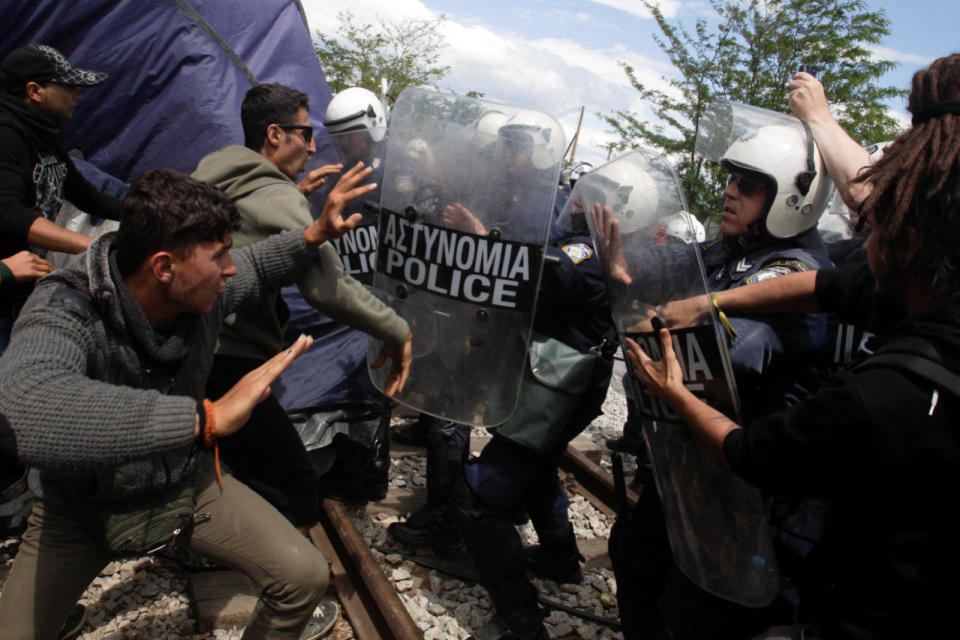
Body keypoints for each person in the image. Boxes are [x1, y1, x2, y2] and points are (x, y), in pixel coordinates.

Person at [627, 52, 960, 639]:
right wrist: (710, 301)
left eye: (874, 225)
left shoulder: (888, 390)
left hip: (778, 514)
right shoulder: (908, 283)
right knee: (639, 559)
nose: (860, 236)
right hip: (716, 476)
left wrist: (677, 391)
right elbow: (826, 286)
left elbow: (753, 445)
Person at [0, 166, 376, 640]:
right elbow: (27, 408)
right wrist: (205, 419)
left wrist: (314, 234)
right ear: (163, 267)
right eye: (219, 256)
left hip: (183, 485)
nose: (231, 268)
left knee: (303, 578)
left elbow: (257, 265)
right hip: (78, 510)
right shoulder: (64, 306)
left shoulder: (204, 292)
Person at [598, 113, 835, 638]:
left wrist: (652, 321)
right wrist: (623, 269)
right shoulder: (733, 251)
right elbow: (667, 266)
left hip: (752, 486)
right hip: (697, 461)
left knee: (700, 609)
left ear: (792, 200)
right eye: (731, 178)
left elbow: (738, 350)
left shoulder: (793, 270)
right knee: (637, 557)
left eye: (748, 185)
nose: (730, 192)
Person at [192, 83, 412, 533]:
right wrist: (398, 330)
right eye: (305, 135)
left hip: (195, 345)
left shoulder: (214, 172)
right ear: (274, 134)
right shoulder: (279, 198)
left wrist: (290, 189)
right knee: (294, 493)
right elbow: (328, 287)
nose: (315, 148)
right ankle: (234, 554)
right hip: (232, 356)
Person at [0, 44, 124, 348]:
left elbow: (91, 199)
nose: (78, 95)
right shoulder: (7, 135)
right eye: (68, 87)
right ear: (35, 91)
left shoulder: (44, 137)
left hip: (21, 293)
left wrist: (154, 212)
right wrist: (95, 247)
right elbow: (10, 215)